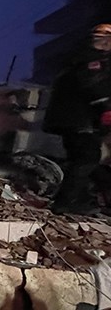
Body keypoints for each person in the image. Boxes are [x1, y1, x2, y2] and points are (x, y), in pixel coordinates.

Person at [43, 23, 111, 215]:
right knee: (87, 158)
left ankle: (78, 200)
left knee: (80, 160)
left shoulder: (79, 56)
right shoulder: (90, 59)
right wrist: (105, 108)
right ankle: (66, 203)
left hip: (74, 120)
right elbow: (94, 86)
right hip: (79, 120)